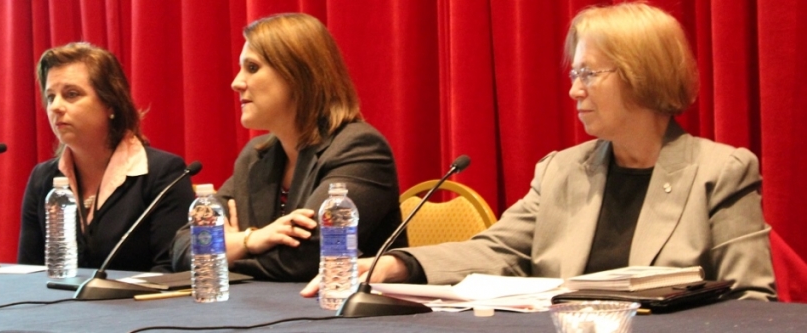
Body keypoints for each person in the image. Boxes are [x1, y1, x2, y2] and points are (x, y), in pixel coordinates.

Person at [301, 2, 776, 301]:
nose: (575, 91)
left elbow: (753, 301)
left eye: (589, 74)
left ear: (641, 74)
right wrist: (399, 264)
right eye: (574, 75)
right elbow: (498, 250)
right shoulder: (562, 171)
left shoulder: (720, 171)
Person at [171, 13, 406, 282]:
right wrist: (251, 240)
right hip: (265, 309)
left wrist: (223, 251)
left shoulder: (358, 149)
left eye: (252, 68)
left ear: (298, 75)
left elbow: (305, 259)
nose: (236, 82)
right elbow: (183, 247)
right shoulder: (256, 156)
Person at [18, 42, 195, 273]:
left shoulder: (163, 174)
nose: (56, 107)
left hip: (138, 307)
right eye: (51, 97)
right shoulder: (43, 179)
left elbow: (170, 271)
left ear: (110, 103)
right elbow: (28, 273)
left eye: (71, 94)